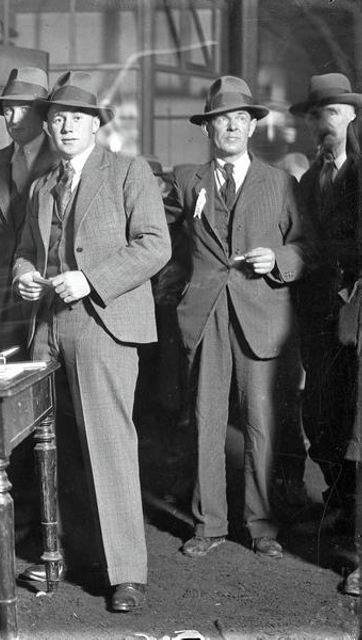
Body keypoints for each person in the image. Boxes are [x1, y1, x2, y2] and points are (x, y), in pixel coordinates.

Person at [13, 70, 171, 612]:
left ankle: (126, 572)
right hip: (48, 326)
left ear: (96, 125)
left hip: (103, 324)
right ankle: (60, 553)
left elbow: (155, 245)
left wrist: (91, 279)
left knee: (108, 445)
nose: (65, 125)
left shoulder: (129, 173)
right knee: (48, 449)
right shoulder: (41, 185)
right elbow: (27, 249)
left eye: (77, 117)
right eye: (57, 118)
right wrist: (24, 274)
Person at [166, 76, 311, 561]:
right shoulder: (187, 180)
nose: (229, 126)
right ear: (207, 128)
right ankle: (208, 524)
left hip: (262, 312)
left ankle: (262, 525)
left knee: (261, 422)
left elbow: (308, 247)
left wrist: (279, 259)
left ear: (251, 127)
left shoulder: (280, 183)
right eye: (219, 119)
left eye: (238, 119)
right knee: (206, 420)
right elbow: (152, 230)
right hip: (206, 314)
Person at [289, 73, 362, 533]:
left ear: (352, 115)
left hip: (355, 309)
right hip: (318, 310)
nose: (324, 122)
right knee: (321, 411)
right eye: (317, 115)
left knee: (356, 415)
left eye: (333, 112)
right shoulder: (311, 177)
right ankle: (337, 502)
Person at [0, 66, 58, 356]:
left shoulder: (63, 160)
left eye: (24, 109)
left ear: (43, 114)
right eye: (9, 110)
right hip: (4, 305)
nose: (13, 119)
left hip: (46, 299)